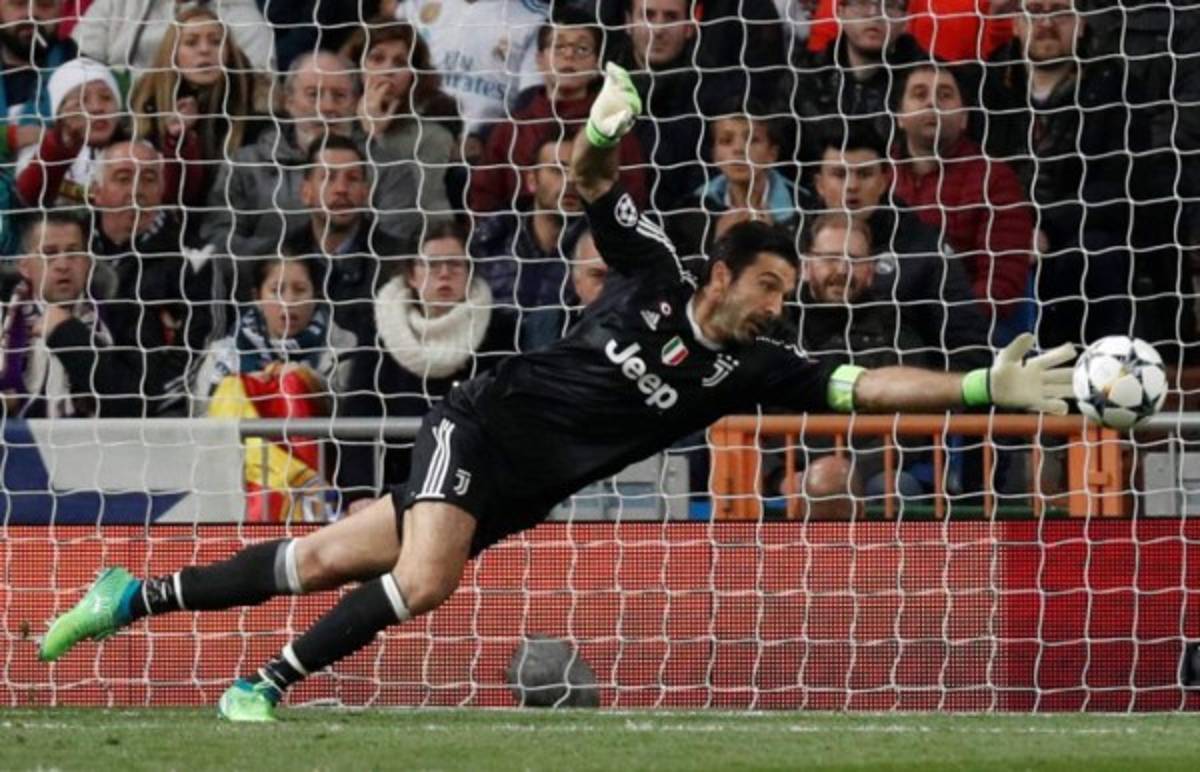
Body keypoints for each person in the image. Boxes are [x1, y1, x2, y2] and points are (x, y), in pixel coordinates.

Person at [37, 63, 1078, 722]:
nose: (778, 306)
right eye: (769, 286)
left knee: (318, 559)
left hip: (521, 486)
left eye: (787, 294)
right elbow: (586, 190)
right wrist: (597, 131)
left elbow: (869, 385)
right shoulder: (661, 270)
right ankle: (259, 686)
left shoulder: (755, 368)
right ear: (724, 274)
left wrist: (987, 378)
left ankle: (129, 597)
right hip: (481, 419)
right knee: (428, 579)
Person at [336, 222, 517, 509]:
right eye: (432, 264)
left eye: (455, 264)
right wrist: (359, 495)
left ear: (470, 272)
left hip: (474, 486)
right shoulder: (377, 331)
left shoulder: (501, 331)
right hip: (394, 488)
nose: (444, 274)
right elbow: (358, 413)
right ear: (412, 274)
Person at [192, 254, 357, 522]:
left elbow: (353, 420)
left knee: (291, 383)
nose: (289, 301)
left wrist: (312, 381)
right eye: (277, 290)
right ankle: (298, 479)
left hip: (325, 477)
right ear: (257, 296)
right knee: (232, 388)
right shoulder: (222, 355)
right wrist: (254, 385)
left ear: (316, 295)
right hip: (234, 487)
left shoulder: (342, 349)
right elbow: (202, 427)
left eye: (300, 290)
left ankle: (300, 489)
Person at [890, 62, 1034, 344]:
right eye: (920, 94)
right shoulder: (877, 175)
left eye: (945, 95)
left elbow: (1001, 285)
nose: (932, 102)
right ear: (899, 117)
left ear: (965, 117)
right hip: (885, 327)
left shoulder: (995, 179)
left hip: (965, 333)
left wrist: (938, 323)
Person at [89, 140, 226, 417]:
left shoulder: (194, 258)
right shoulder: (73, 248)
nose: (137, 190)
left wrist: (148, 403)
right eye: (123, 178)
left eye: (148, 179)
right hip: (79, 405)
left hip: (160, 412)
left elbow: (204, 346)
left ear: (162, 189)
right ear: (95, 191)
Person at [468, 5, 647, 213]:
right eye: (559, 47)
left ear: (597, 64)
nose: (569, 55)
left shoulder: (615, 129)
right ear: (540, 60)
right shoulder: (511, 130)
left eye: (582, 49)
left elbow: (633, 198)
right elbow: (484, 200)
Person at [0, 209, 139, 418]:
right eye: (50, 253)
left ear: (88, 263)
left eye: (73, 253)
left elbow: (134, 405)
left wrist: (67, 333)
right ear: (26, 267)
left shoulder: (123, 316)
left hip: (95, 447)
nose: (63, 265)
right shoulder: (4, 317)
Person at [128, 5, 259, 208]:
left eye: (216, 42)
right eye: (191, 42)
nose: (205, 50)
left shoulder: (256, 114)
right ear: (172, 53)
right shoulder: (147, 109)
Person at [471, 131, 587, 351]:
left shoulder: (600, 248)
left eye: (579, 171)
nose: (570, 181)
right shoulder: (492, 238)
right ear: (532, 181)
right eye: (557, 170)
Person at [14, 56, 122, 208]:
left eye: (106, 97)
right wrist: (61, 145)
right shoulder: (35, 153)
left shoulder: (141, 153)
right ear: (60, 112)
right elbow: (27, 199)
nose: (97, 107)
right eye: (82, 101)